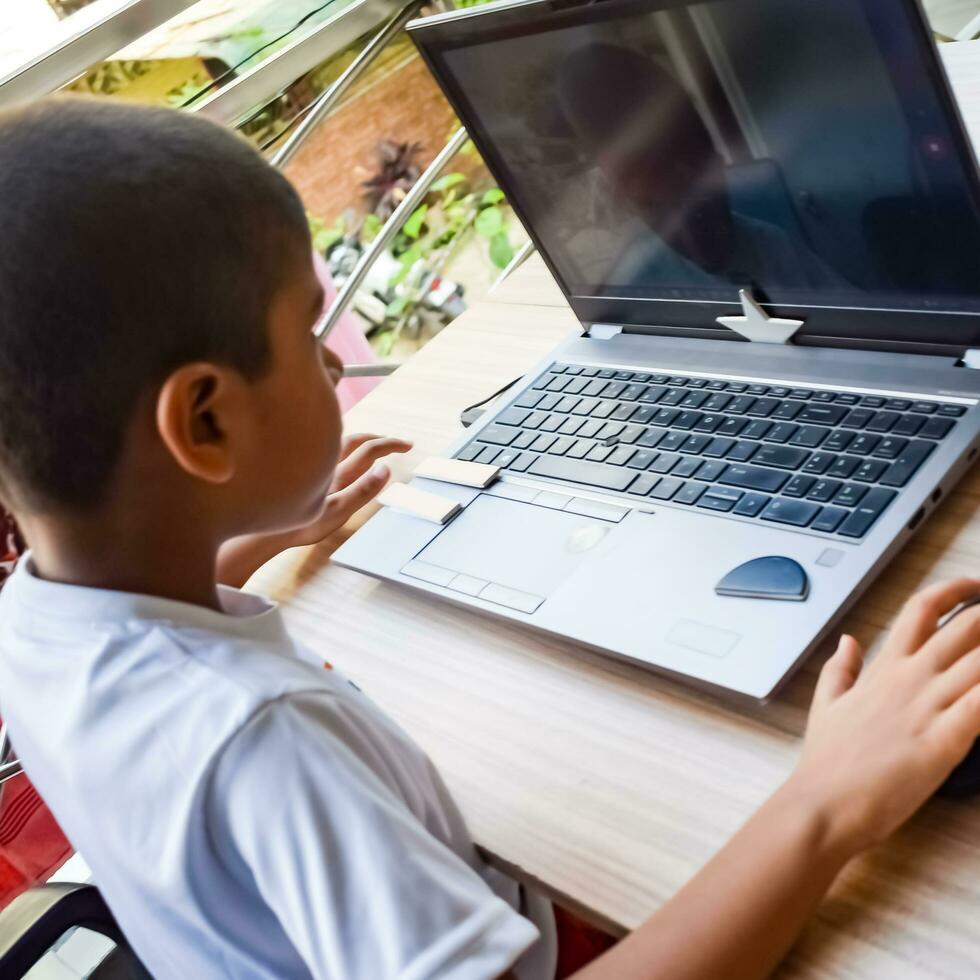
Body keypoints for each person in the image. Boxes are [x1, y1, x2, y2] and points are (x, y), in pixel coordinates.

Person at [0, 98, 979, 980]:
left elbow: (137, 641)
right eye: (309, 337)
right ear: (205, 424)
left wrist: (228, 538)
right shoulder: (264, 741)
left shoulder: (35, 618)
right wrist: (823, 804)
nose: (330, 367)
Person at [556, 43, 847, 292]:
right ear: (621, 191)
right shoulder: (618, 275)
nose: (696, 235)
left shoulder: (770, 245)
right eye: (656, 204)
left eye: (702, 188)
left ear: (717, 164)